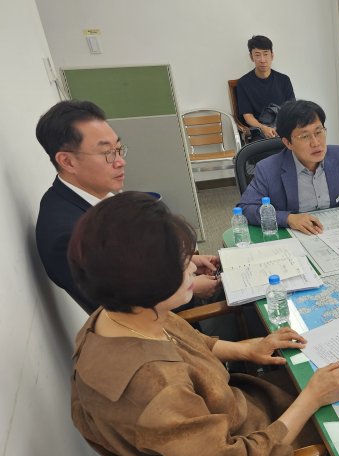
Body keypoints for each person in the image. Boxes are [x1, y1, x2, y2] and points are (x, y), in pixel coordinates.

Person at [69, 192, 339, 456]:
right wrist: (311, 398)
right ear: (150, 284)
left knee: (316, 388)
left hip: (230, 421)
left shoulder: (121, 313)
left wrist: (245, 349)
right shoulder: (153, 387)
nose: (193, 268)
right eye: (182, 265)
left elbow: (187, 340)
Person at [35, 100, 221, 314]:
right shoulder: (66, 237)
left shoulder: (96, 195)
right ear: (67, 162)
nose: (120, 162)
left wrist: (186, 261)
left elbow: (137, 259)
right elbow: (120, 309)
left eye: (119, 149)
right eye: (107, 153)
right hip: (163, 321)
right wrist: (189, 285)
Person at [237, 100, 339, 234]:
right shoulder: (268, 169)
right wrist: (288, 218)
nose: (316, 143)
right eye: (305, 136)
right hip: (297, 237)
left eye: (319, 132)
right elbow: (246, 208)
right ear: (288, 143)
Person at [237, 35, 296, 140]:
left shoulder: (284, 80)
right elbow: (248, 116)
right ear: (251, 57)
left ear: (272, 55)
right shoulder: (243, 83)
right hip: (259, 133)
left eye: (265, 54)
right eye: (257, 55)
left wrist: (279, 128)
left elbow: (291, 109)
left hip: (283, 130)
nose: (262, 60)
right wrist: (263, 128)